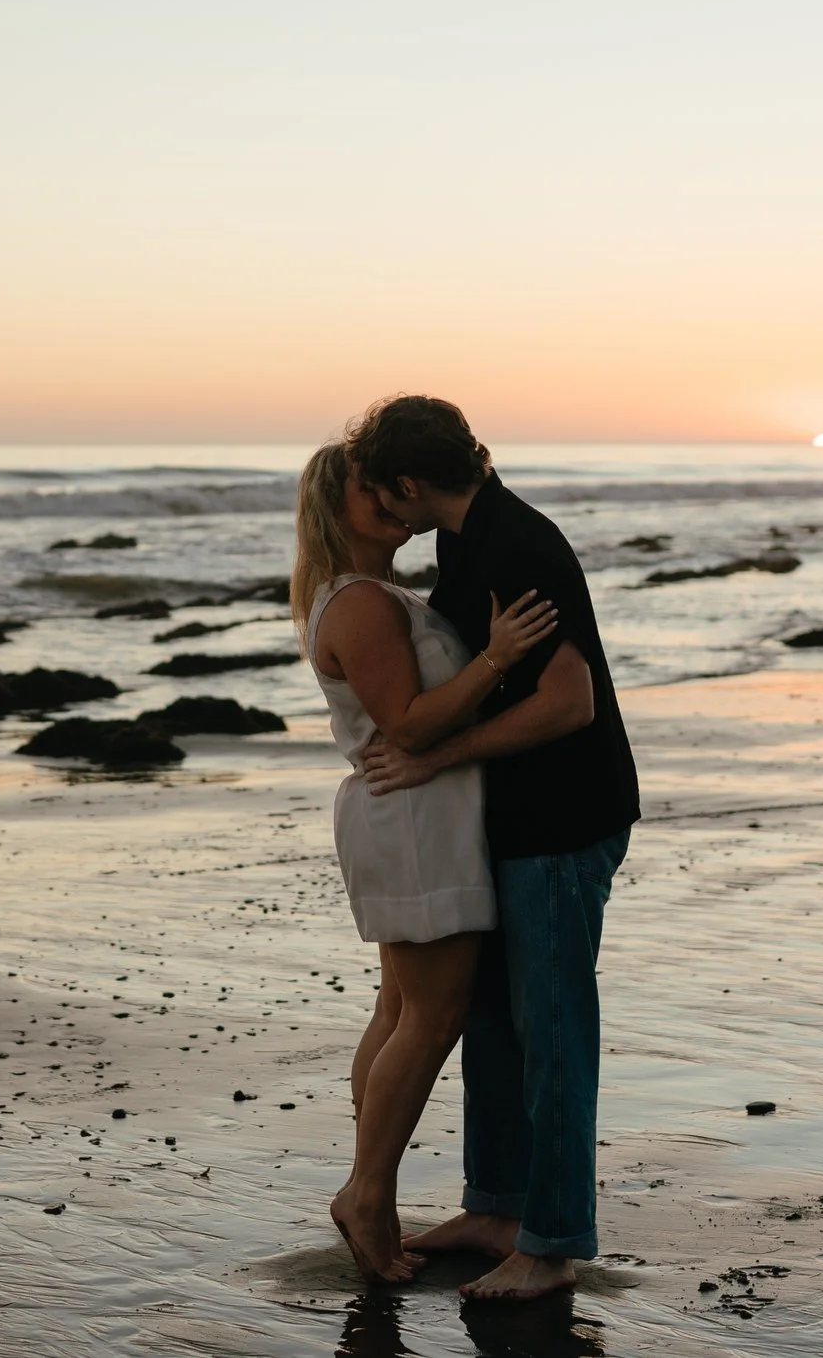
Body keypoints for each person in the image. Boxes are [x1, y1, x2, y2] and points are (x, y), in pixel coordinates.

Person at [348, 395, 641, 1301]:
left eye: (378, 489)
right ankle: (499, 1206)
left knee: (551, 1032)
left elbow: (569, 701)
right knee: (495, 1025)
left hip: (564, 819)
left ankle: (551, 1242)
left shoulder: (517, 544)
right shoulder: (466, 540)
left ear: (407, 483)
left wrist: (437, 754)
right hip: (512, 820)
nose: (377, 505)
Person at [290, 439, 561, 1283]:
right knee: (431, 1018)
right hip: (414, 816)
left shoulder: (375, 594)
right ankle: (366, 1193)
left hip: (412, 814)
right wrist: (498, 656)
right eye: (367, 489)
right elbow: (409, 723)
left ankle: (369, 1189)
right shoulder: (360, 603)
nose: (387, 498)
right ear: (334, 506)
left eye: (387, 485)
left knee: (401, 1009)